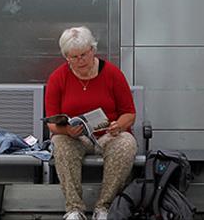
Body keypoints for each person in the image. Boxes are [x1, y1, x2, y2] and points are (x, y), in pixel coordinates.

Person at [45, 26, 137, 220]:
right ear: (66, 57)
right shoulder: (58, 77)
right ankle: (74, 209)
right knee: (60, 142)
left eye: (84, 55)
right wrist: (67, 130)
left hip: (108, 135)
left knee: (126, 143)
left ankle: (104, 207)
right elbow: (51, 122)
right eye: (74, 57)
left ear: (93, 50)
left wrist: (119, 125)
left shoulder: (112, 73)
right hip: (76, 137)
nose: (80, 61)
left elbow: (129, 113)